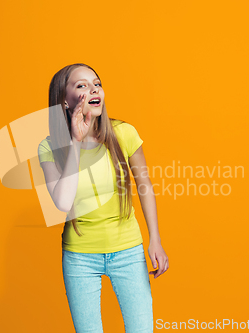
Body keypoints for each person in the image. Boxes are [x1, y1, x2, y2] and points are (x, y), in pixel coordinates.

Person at [38, 63, 168, 332]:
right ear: (65, 99)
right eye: (81, 85)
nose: (93, 89)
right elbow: (62, 203)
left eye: (96, 83)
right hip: (80, 257)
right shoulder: (49, 148)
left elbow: (144, 184)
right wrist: (75, 141)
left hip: (128, 251)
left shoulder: (123, 133)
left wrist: (155, 239)